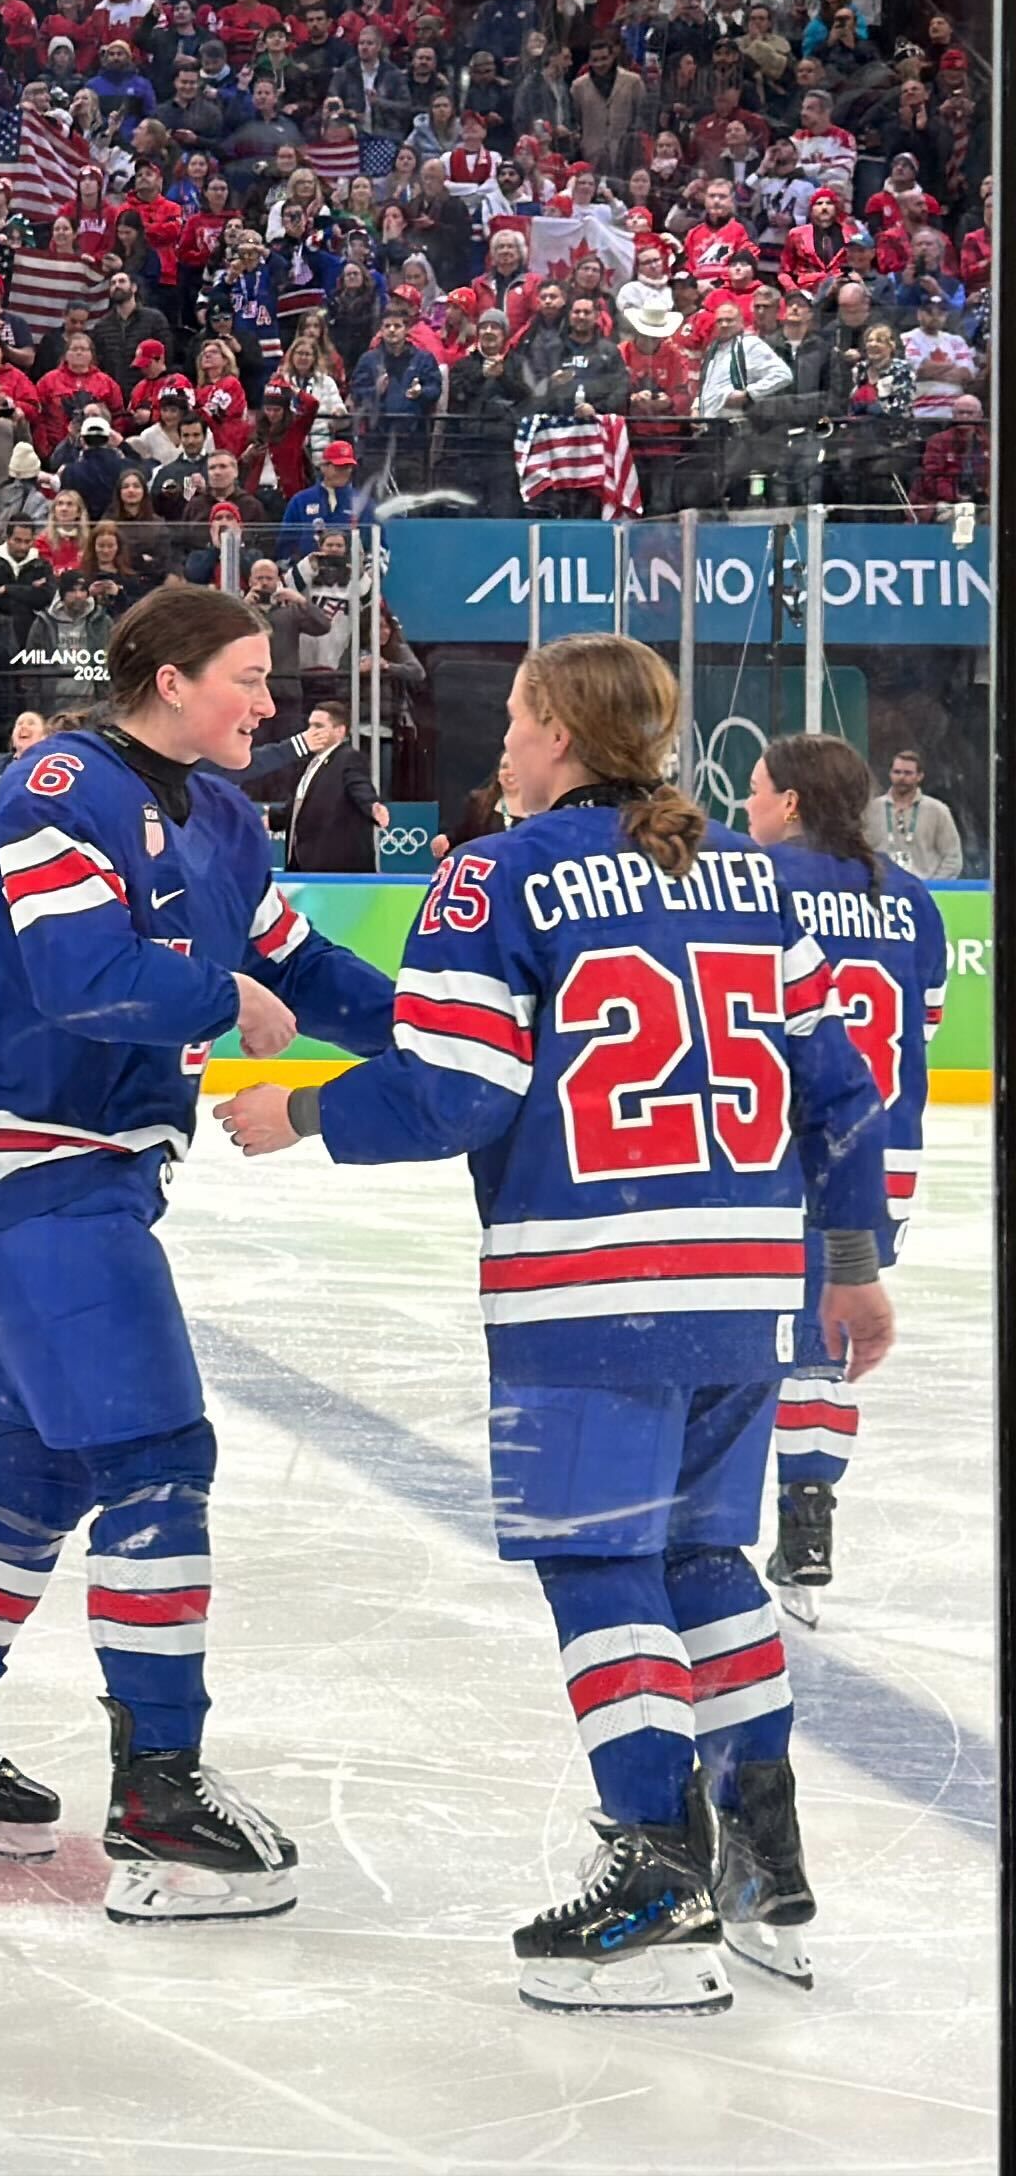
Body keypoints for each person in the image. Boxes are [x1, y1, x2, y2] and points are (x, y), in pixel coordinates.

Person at [227, 641, 887, 2010]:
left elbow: (457, 1091)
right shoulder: (762, 879)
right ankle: (764, 1863)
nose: (505, 741)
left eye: (519, 717)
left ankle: (655, 1877)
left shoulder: (496, 873)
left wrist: (295, 1111)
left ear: (563, 737)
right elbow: (843, 1086)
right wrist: (855, 1262)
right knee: (706, 1559)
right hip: (745, 1282)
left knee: (600, 1575)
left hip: (586, 1282)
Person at [0, 582, 394, 1920]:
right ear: (166, 677)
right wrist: (229, 1001)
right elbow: (80, 975)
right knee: (160, 1457)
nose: (270, 705)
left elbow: (305, 964)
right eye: (249, 677)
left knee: (45, 1462)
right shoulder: (60, 783)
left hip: (64, 1172)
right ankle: (160, 1796)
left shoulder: (219, 815)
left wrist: (449, 1028)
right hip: (24, 1168)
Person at [731, 733, 949, 1626]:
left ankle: (699, 1522)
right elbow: (921, 1029)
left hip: (779, 1157)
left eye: (753, 793)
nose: (744, 809)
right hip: (883, 1162)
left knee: (746, 1336)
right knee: (827, 1346)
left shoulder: (763, 883)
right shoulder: (916, 902)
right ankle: (809, 1511)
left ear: (788, 804)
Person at [252, 699, 387, 872]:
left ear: (340, 731)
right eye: (309, 726)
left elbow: (360, 787)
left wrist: (372, 806)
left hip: (334, 870)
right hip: (302, 865)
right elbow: (301, 806)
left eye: (318, 726)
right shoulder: (310, 763)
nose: (311, 732)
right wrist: (272, 819)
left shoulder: (348, 758)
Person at [871, 748, 965, 878]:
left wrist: (934, 887)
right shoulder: (872, 809)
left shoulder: (938, 811)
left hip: (925, 889)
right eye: (897, 772)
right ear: (890, 774)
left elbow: (952, 857)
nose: (901, 777)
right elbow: (861, 852)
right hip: (882, 890)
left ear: (920, 776)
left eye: (908, 773)